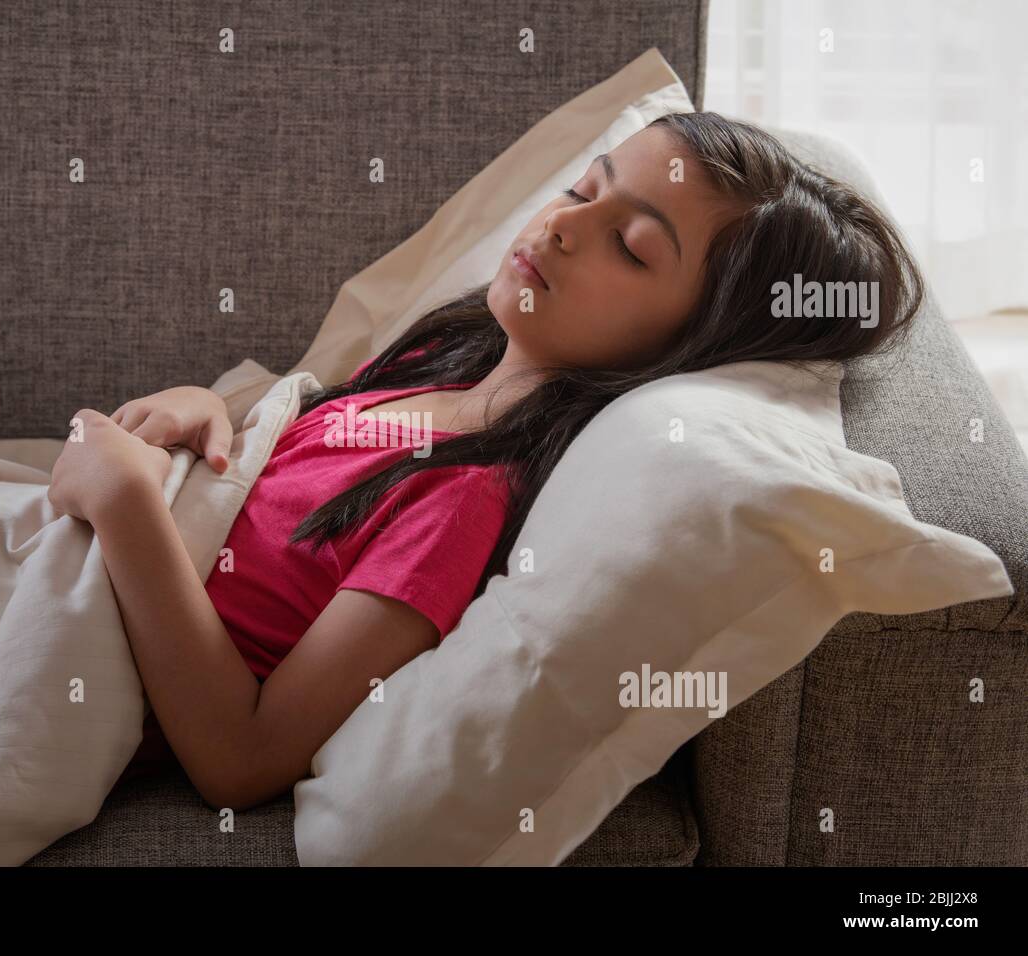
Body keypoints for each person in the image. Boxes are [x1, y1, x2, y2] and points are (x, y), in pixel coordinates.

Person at [46, 111, 923, 809]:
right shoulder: (452, 359)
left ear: (688, 350)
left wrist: (128, 501)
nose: (567, 224)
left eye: (633, 247)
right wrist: (210, 411)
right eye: (586, 187)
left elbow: (242, 761)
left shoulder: (459, 500)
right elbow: (277, 459)